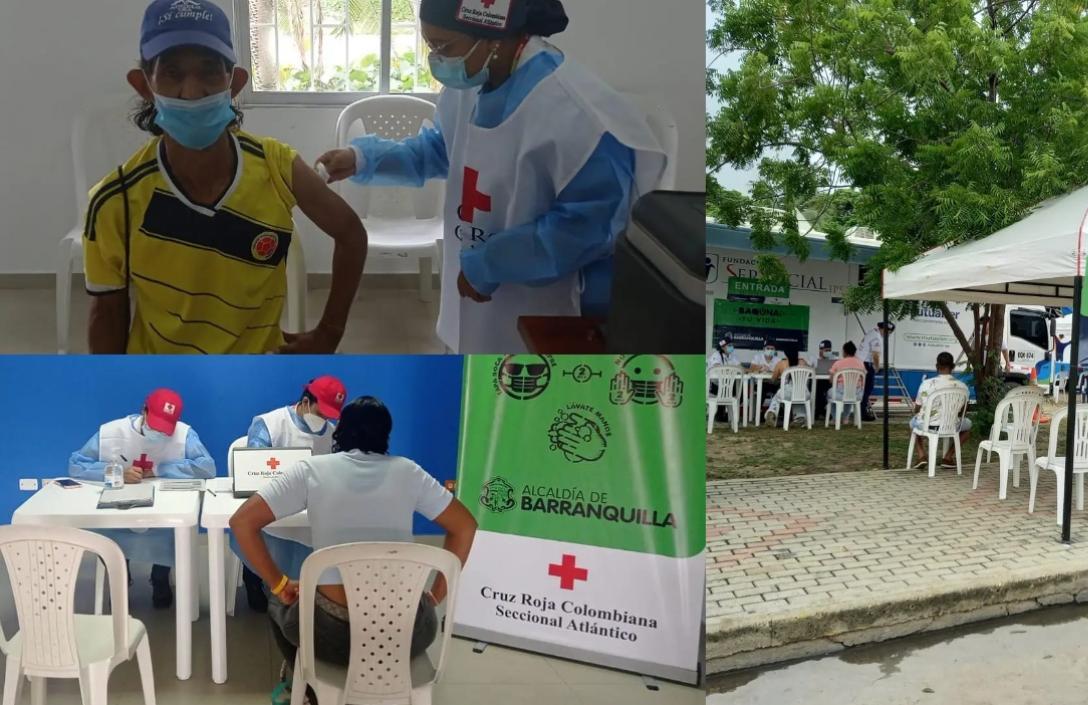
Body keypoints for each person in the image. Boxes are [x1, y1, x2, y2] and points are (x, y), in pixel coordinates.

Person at [315, 0, 667, 354]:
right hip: (471, 283)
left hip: (548, 307)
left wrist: (490, 263)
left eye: (443, 47)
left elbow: (588, 227)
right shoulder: (471, 80)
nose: (436, 60)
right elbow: (439, 150)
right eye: (430, 46)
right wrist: (362, 158)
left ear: (492, 36)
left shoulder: (577, 114)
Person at [85, 0, 367, 354]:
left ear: (234, 83)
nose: (192, 91)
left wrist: (330, 332)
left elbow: (351, 233)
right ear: (145, 85)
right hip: (164, 375)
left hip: (256, 371)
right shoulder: (116, 200)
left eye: (209, 72)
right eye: (172, 73)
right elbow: (107, 316)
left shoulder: (276, 167)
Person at [229, 396, 478, 704]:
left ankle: (304, 683)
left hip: (330, 636)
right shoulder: (409, 472)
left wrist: (280, 584)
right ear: (386, 435)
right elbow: (465, 525)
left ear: (339, 432)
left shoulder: (311, 470)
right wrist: (435, 595)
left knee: (276, 604)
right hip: (407, 633)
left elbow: (242, 522)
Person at [68, 388, 215, 608]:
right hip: (118, 501)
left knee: (170, 528)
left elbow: (206, 468)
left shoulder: (184, 435)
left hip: (163, 504)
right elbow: (76, 465)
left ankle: (160, 576)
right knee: (112, 528)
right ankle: (120, 576)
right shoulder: (112, 432)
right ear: (143, 410)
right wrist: (116, 471)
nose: (159, 431)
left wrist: (158, 468)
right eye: (155, 422)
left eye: (166, 426)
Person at [234, 376, 348, 613]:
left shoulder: (333, 433)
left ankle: (305, 586)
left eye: (330, 415)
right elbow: (253, 468)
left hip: (310, 513)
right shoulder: (269, 423)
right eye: (321, 412)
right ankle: (254, 575)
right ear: (306, 401)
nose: (325, 420)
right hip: (270, 508)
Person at [909, 352, 972, 470]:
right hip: (951, 425)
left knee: (913, 423)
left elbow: (917, 408)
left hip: (929, 425)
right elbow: (964, 411)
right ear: (953, 367)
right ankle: (948, 457)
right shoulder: (962, 386)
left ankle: (922, 455)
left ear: (937, 366)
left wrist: (919, 414)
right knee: (968, 426)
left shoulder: (926, 384)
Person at [764, 346, 813, 427]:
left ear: (785, 354)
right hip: (803, 392)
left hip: (787, 392)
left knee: (777, 397)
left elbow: (773, 380)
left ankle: (772, 412)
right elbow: (811, 372)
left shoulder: (781, 363)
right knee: (798, 397)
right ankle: (800, 417)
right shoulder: (803, 362)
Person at [857, 321, 893, 422]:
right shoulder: (876, 337)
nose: (888, 335)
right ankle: (862, 413)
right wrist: (876, 367)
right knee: (867, 388)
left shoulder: (872, 332)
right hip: (866, 364)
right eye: (888, 332)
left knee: (863, 389)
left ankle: (860, 411)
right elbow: (875, 355)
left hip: (860, 362)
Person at [827, 341, 867, 423]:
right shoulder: (861, 363)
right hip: (857, 394)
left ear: (844, 351)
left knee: (830, 393)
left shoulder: (838, 363)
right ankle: (845, 418)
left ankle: (835, 418)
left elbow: (831, 380)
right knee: (849, 395)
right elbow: (864, 378)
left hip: (840, 393)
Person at [813, 339, 834, 420]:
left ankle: (819, 410)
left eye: (829, 350)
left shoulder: (833, 359)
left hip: (828, 381)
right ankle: (820, 410)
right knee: (818, 388)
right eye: (826, 350)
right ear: (820, 350)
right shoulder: (814, 358)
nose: (828, 352)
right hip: (817, 382)